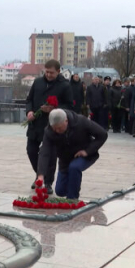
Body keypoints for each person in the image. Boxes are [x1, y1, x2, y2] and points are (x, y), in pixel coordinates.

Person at [36, 109, 108, 200]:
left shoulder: (81, 121)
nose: (57, 131)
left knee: (74, 167)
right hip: (65, 159)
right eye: (55, 128)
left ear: (66, 121)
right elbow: (44, 152)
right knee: (60, 191)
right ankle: (73, 186)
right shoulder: (49, 131)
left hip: (84, 155)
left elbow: (102, 134)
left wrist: (87, 151)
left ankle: (72, 200)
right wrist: (40, 175)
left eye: (59, 128)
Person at [25, 59, 73, 194]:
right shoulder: (38, 82)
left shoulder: (64, 86)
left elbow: (69, 106)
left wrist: (53, 108)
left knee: (50, 156)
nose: (48, 75)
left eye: (51, 72)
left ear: (58, 71)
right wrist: (29, 111)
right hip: (35, 123)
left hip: (52, 125)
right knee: (31, 151)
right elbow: (29, 99)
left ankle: (47, 182)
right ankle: (39, 176)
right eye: (46, 72)